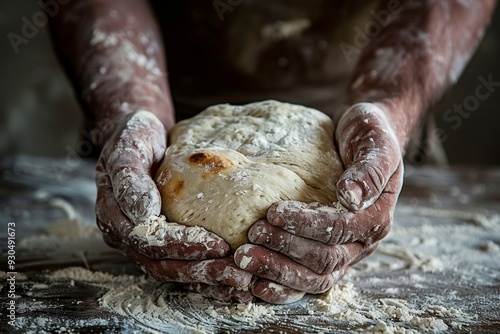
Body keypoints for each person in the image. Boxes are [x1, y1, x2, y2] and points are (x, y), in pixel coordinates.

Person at [47, 0, 496, 304]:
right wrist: (132, 106)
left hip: (362, 124)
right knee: (137, 201)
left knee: (359, 190)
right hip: (161, 121)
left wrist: (388, 109)